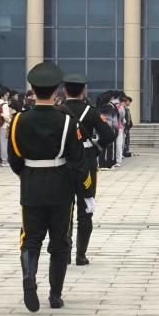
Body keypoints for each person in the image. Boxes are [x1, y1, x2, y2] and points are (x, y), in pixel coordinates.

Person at [10, 62, 83, 312]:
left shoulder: (19, 120)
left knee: (31, 239)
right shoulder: (67, 121)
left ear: (33, 89)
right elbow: (76, 158)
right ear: (56, 91)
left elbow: (14, 158)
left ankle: (29, 276)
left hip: (31, 186)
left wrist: (28, 175)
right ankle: (55, 295)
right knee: (60, 243)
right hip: (60, 187)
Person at [62, 72, 116, 266]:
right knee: (86, 208)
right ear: (83, 91)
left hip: (63, 163)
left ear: (65, 91)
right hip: (86, 163)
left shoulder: (59, 111)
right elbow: (109, 134)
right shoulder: (91, 112)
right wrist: (96, 149)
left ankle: (65, 252)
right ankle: (81, 254)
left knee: (64, 209)